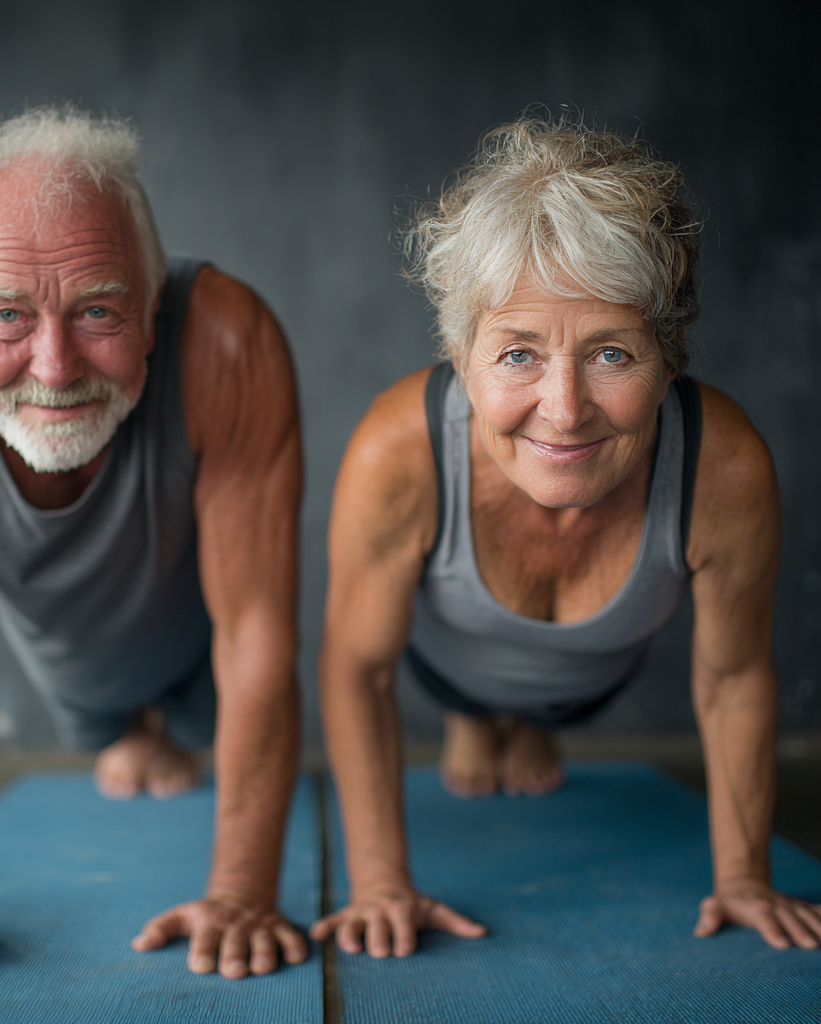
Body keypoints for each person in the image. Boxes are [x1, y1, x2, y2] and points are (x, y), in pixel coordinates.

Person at [0, 107, 306, 993]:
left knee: (198, 732)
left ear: (152, 309)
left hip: (205, 659)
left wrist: (241, 892)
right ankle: (127, 731)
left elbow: (256, 632)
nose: (56, 364)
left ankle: (159, 731)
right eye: (5, 316)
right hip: (76, 673)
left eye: (98, 309)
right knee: (111, 737)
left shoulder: (228, 337)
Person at [310, 117, 821, 959]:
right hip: (447, 666)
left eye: (612, 354)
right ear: (458, 351)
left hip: (592, 682)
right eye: (517, 354)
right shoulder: (398, 449)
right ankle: (482, 716)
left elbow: (733, 680)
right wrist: (379, 884)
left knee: (551, 708)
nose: (565, 408)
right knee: (472, 715)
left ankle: (531, 721)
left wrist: (744, 878)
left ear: (671, 354)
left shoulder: (723, 467)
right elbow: (358, 669)